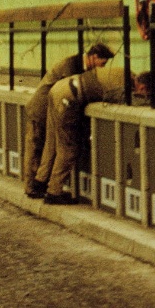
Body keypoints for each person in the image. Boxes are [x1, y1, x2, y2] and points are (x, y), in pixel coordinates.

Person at [24, 43, 114, 198]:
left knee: (47, 147)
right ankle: (31, 188)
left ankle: (38, 186)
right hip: (40, 109)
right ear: (94, 57)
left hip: (50, 110)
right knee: (35, 146)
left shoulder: (77, 65)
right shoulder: (71, 65)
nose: (102, 68)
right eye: (103, 63)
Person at [36, 64, 135, 204]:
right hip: (69, 96)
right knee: (68, 148)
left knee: (52, 141)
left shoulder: (123, 71)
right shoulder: (124, 84)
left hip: (59, 88)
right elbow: (121, 103)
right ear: (142, 86)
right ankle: (54, 192)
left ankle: (40, 180)